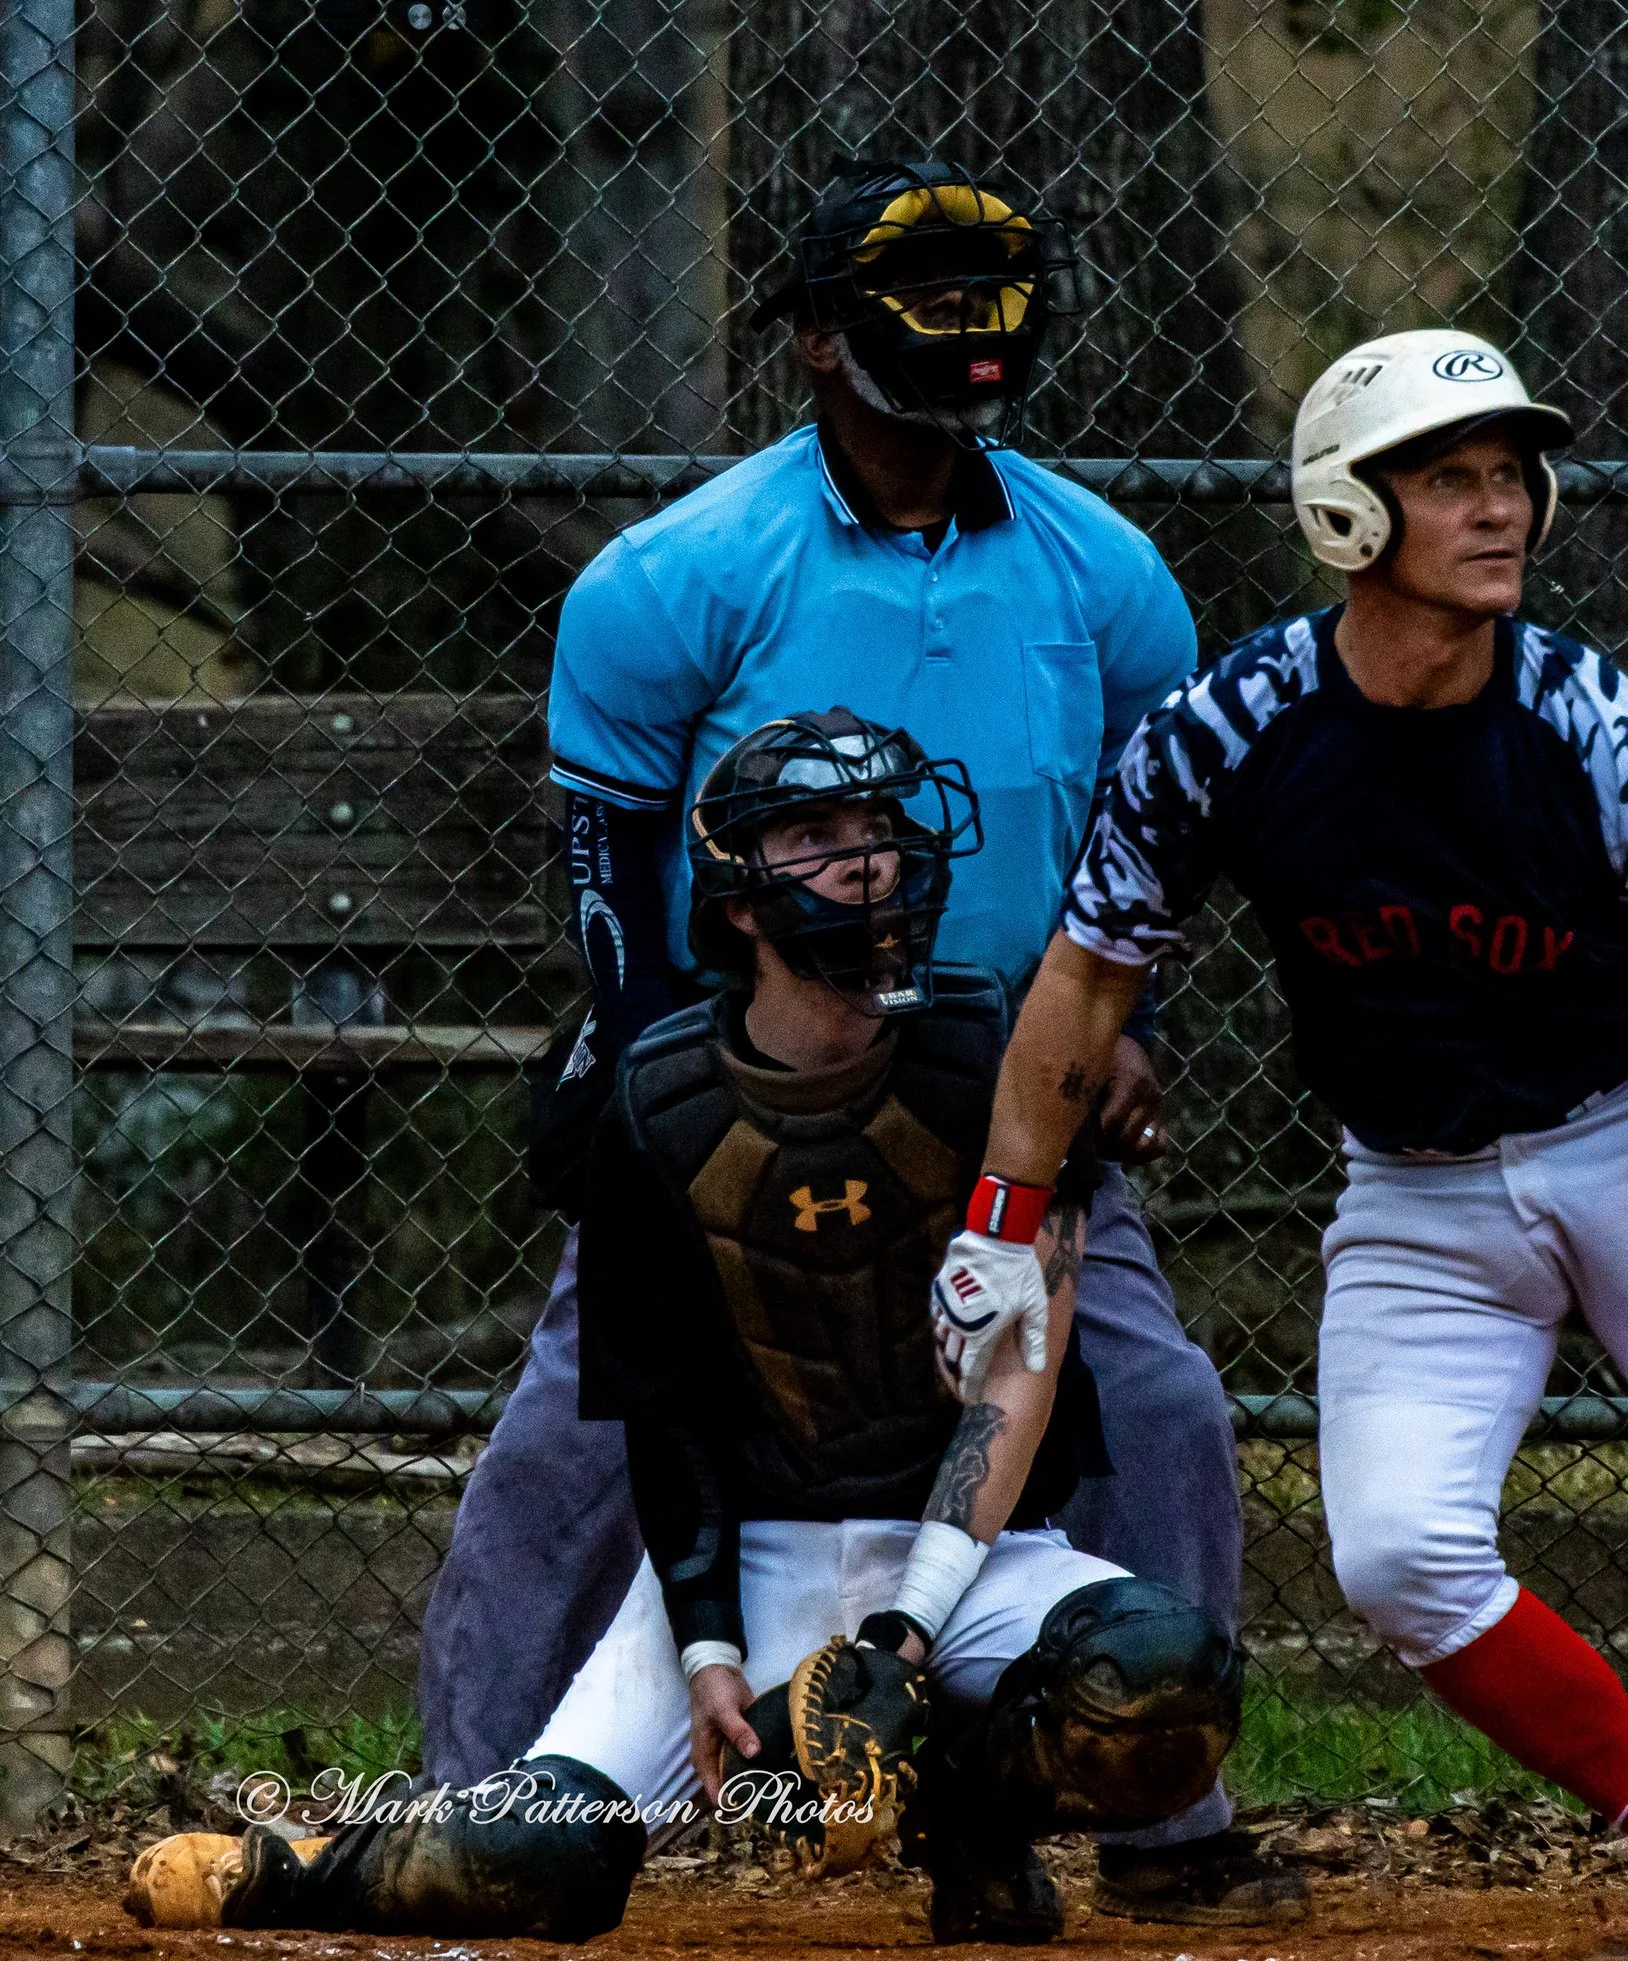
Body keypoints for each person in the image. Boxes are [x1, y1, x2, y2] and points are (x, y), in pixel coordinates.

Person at [926, 329, 1628, 1961]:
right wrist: (995, 1219)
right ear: (1346, 515)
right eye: (1447, 478)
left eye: (1510, 472)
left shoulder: (1597, 732)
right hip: (1417, 1186)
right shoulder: (1227, 732)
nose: (1499, 506)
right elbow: (1088, 978)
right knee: (1398, 1562)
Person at [418, 158, 1299, 1925]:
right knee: (568, 1450)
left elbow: (1151, 848)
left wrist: (1133, 1033)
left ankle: (1160, 1818)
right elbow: (608, 869)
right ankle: (461, 1817)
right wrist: (661, 1095)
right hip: (746, 1089)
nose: (972, 332)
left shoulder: (1104, 573)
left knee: (1168, 1407)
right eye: (923, 298)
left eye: (996, 291)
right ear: (817, 342)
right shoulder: (678, 577)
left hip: (1008, 1112)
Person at [122, 712, 1243, 1944]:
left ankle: (968, 1814)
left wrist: (902, 1632)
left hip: (974, 1557)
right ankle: (287, 1869)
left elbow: (1016, 1371)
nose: (865, 860)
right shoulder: (651, 1102)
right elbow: (663, 1418)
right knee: (530, 1868)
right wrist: (710, 1651)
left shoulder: (1003, 1059)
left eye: (880, 828)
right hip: (748, 1553)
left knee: (1162, 1682)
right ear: (741, 902)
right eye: (816, 835)